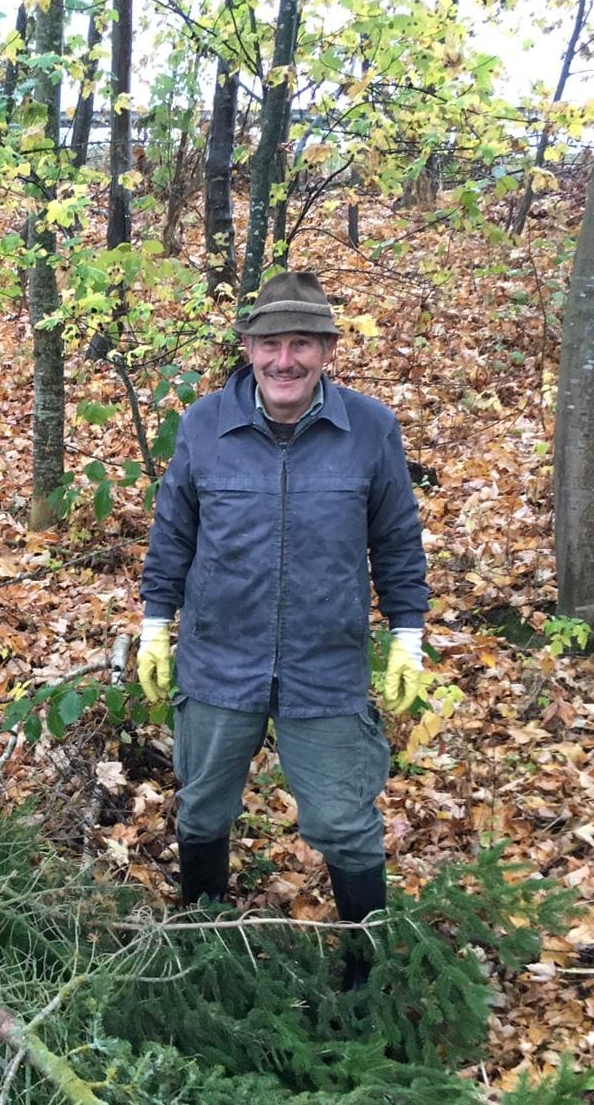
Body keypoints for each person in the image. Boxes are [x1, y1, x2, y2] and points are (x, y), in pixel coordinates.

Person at [136, 271, 429, 988]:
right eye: (270, 344)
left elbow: (396, 538)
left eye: (302, 344)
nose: (284, 360)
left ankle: (364, 978)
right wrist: (154, 623)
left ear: (328, 349)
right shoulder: (205, 425)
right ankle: (204, 957)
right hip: (218, 660)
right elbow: (173, 533)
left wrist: (408, 633)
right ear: (248, 348)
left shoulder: (370, 429)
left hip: (324, 664)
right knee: (202, 810)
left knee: (343, 822)